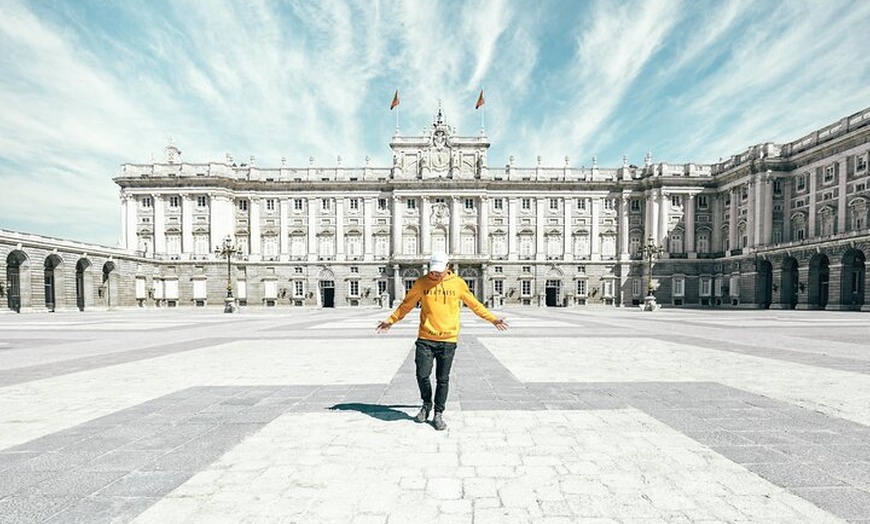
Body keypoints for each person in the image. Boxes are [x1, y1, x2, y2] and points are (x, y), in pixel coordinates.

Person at [376, 251, 509, 430]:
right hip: (425, 338)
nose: (436, 274)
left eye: (439, 270)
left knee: (442, 379)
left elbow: (474, 304)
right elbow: (406, 304)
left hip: (448, 340)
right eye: (433, 270)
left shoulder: (458, 283)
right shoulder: (421, 282)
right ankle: (426, 404)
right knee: (422, 374)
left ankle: (438, 413)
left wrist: (493, 319)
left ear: (448, 267)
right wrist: (391, 320)